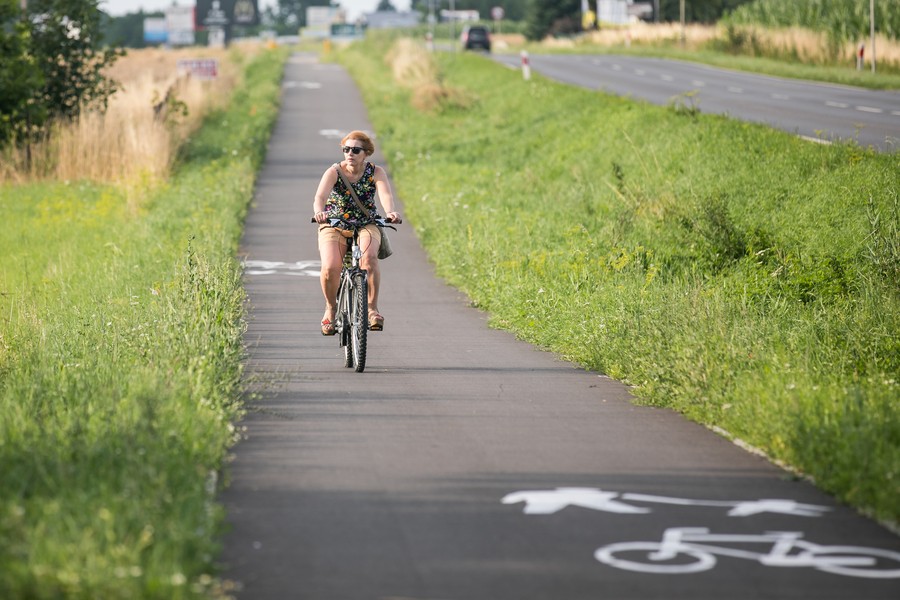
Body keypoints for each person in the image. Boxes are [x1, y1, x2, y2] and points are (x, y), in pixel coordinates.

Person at [313, 131, 402, 336]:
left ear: (366, 153)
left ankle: (372, 309)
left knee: (369, 259)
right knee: (330, 267)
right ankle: (331, 308)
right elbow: (320, 196)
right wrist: (319, 212)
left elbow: (385, 195)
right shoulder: (334, 171)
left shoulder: (376, 172)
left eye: (355, 150)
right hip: (334, 223)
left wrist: (390, 212)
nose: (350, 153)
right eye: (346, 149)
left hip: (366, 223)